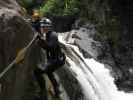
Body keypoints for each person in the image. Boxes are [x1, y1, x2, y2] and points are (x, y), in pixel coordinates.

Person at [34, 18, 66, 97]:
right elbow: (48, 47)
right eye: (42, 26)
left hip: (57, 60)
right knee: (49, 71)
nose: (42, 28)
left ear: (47, 27)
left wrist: (40, 41)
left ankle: (43, 90)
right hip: (56, 59)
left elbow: (50, 47)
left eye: (43, 26)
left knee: (37, 72)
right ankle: (57, 90)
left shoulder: (53, 35)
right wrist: (41, 40)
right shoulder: (49, 34)